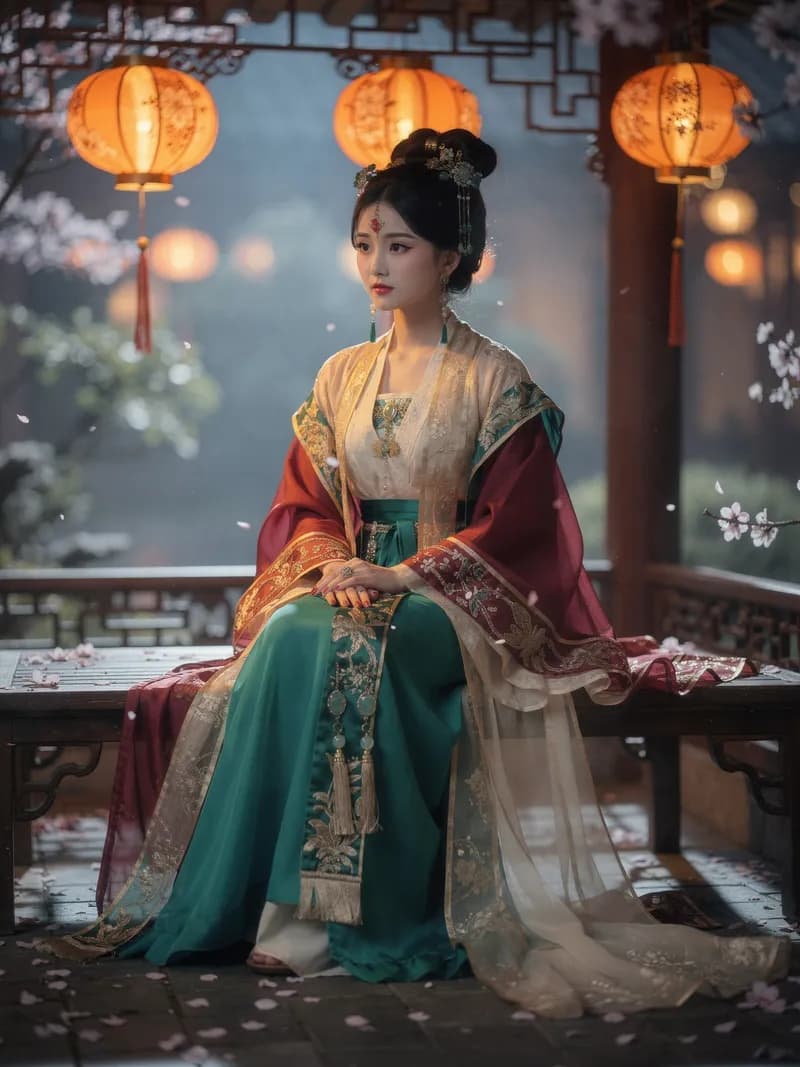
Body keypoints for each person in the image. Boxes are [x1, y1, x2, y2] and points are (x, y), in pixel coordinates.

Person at [46, 128, 788, 1017]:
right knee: (289, 635)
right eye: (365, 243)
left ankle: (350, 918)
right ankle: (261, 904)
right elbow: (302, 506)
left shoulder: (495, 379)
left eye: (398, 244)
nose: (377, 262)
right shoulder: (340, 377)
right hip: (351, 580)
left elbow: (521, 529)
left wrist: (411, 576)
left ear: (451, 255)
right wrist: (334, 567)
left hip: (454, 598)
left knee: (377, 650)